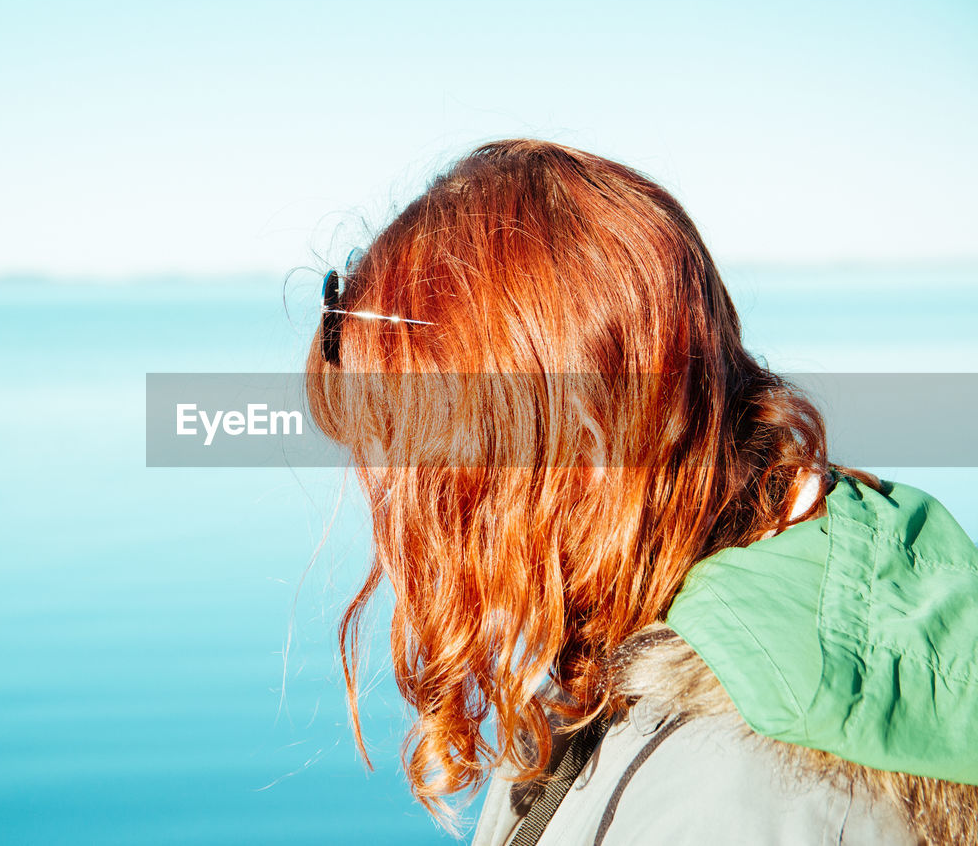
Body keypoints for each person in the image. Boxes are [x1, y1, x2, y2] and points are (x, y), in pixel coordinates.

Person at [304, 140, 978, 844]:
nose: (399, 506)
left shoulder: (740, 797)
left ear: (574, 450)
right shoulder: (649, 623)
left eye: (420, 457)